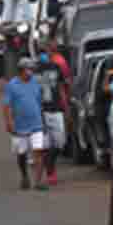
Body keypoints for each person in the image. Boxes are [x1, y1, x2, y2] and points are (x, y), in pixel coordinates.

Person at [3, 57, 49, 191]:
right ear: (22, 70)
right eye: (29, 69)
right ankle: (24, 176)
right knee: (21, 153)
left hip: (37, 124)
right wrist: (8, 122)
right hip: (20, 126)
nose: (31, 72)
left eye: (32, 69)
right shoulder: (12, 85)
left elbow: (39, 104)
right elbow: (6, 106)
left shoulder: (35, 83)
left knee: (39, 151)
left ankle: (38, 181)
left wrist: (43, 121)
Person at [32, 46, 71, 185]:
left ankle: (49, 164)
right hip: (41, 111)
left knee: (60, 143)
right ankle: (50, 171)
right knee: (47, 145)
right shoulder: (32, 71)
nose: (44, 56)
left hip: (56, 109)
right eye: (41, 53)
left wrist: (66, 107)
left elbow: (61, 88)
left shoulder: (56, 68)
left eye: (46, 53)